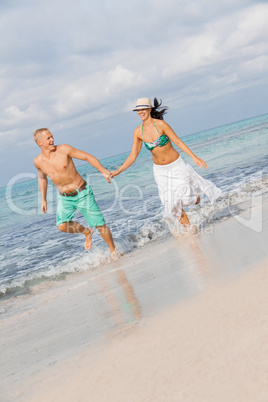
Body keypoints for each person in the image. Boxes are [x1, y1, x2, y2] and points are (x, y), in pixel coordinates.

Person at [110, 98, 222, 234]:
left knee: (186, 197)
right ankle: (190, 229)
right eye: (138, 110)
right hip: (160, 171)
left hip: (176, 165)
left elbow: (177, 142)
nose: (140, 112)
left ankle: (196, 193)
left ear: (149, 109)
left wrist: (194, 157)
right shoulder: (138, 132)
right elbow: (133, 156)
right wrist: (118, 171)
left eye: (143, 109)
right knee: (170, 202)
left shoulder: (161, 125)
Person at [34, 128, 119, 257]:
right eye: (48, 138)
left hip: (82, 193)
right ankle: (86, 232)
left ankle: (114, 252)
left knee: (100, 225)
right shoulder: (38, 161)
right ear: (40, 142)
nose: (52, 140)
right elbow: (42, 179)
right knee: (62, 225)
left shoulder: (64, 150)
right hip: (65, 198)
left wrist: (102, 170)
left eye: (52, 137)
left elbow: (87, 156)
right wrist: (43, 199)